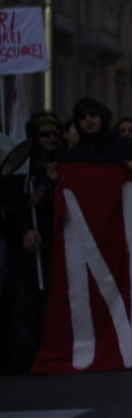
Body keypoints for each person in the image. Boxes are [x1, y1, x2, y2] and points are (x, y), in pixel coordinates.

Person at [0, 113, 64, 372]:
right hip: (27, 243)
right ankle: (24, 353)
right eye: (44, 135)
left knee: (51, 297)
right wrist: (25, 229)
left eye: (54, 134)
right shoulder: (20, 167)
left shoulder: (64, 163)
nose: (50, 139)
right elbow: (12, 204)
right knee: (25, 298)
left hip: (55, 238)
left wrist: (51, 186)